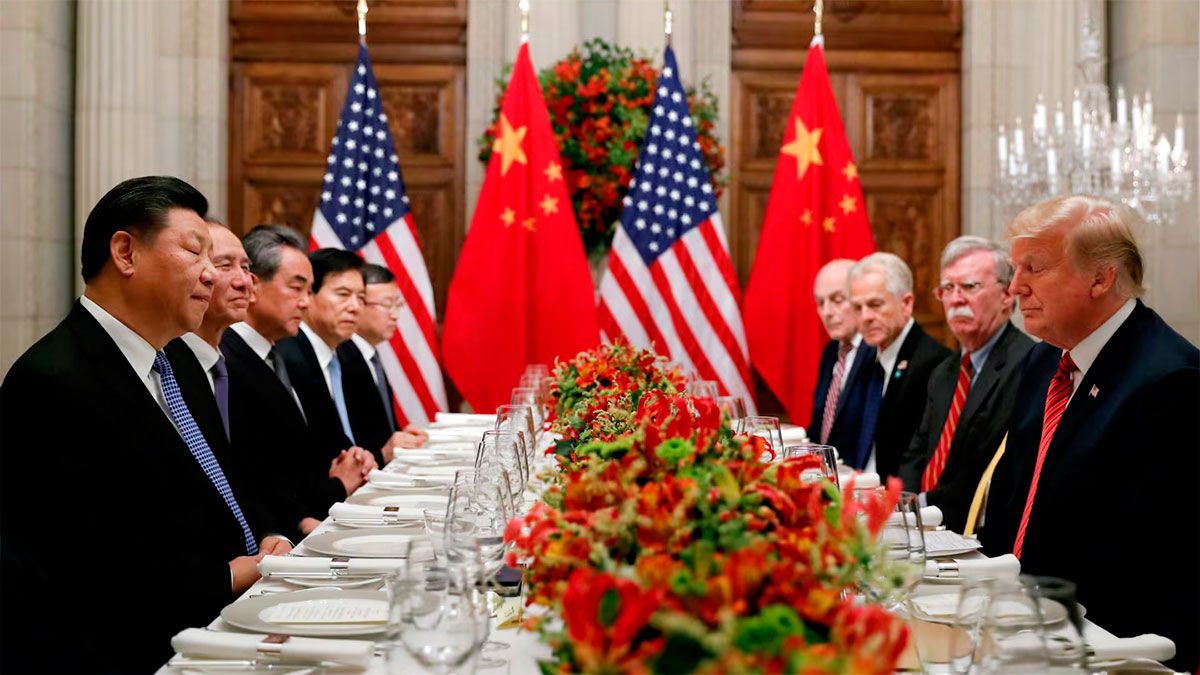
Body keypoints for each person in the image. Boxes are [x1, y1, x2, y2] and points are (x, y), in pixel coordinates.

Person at [0, 176, 274, 671]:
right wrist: (227, 577)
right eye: (194, 251)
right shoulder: (52, 380)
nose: (210, 275)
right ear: (126, 253)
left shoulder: (177, 364)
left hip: (230, 618)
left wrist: (263, 540)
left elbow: (216, 488)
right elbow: (84, 562)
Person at [981, 195, 1198, 670]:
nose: (1014, 287)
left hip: (1108, 645)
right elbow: (1012, 496)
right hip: (1020, 624)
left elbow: (1146, 560)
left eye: (1034, 268)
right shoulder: (1043, 359)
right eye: (1015, 269)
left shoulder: (1170, 380)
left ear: (1100, 278)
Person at [223, 225, 371, 529]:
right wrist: (333, 489)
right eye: (296, 288)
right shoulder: (226, 358)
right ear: (254, 286)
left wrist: (354, 458)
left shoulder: (282, 353)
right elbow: (253, 473)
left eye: (309, 290)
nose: (305, 302)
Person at [897, 236, 1033, 532]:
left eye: (969, 287)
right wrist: (902, 504)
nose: (956, 299)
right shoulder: (945, 371)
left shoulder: (1028, 365)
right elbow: (917, 453)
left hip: (976, 533)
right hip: (922, 526)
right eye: (947, 288)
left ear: (1007, 294)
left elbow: (981, 468)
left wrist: (919, 508)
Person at [276, 249, 385, 468]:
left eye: (361, 298)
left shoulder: (348, 353)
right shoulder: (286, 354)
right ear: (309, 295)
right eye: (343, 294)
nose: (355, 307)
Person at [848, 252, 951, 479]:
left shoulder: (934, 363)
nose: (865, 317)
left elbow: (922, 457)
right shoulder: (865, 355)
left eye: (875, 305)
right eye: (857, 307)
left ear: (906, 304)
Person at [336, 263, 428, 463]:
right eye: (387, 305)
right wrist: (383, 451)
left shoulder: (370, 353)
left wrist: (399, 437)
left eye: (398, 304)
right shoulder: (341, 357)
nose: (395, 315)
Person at [809, 258, 877, 463]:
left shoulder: (877, 352)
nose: (827, 312)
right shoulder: (831, 351)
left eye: (837, 300)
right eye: (820, 303)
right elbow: (818, 428)